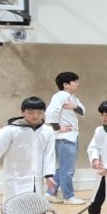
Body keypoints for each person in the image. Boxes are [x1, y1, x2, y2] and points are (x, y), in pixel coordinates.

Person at [44, 71, 85, 205]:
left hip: (71, 136)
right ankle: (68, 197)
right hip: (64, 137)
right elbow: (50, 113)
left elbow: (82, 111)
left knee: (64, 168)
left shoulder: (73, 98)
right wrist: (57, 128)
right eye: (75, 82)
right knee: (67, 169)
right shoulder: (60, 95)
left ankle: (50, 193)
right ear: (66, 84)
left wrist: (74, 106)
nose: (78, 84)